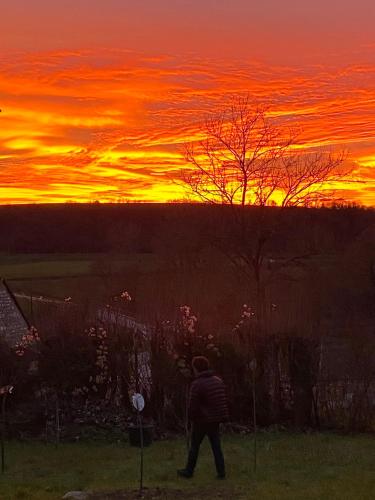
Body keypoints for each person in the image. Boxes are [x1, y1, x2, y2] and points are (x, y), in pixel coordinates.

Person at [178, 356, 229, 479]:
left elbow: (193, 404)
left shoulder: (197, 384)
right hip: (215, 419)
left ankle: (189, 471)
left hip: (202, 420)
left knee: (194, 446)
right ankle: (221, 472)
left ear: (196, 368)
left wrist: (190, 417)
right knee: (216, 446)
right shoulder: (218, 380)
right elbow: (222, 400)